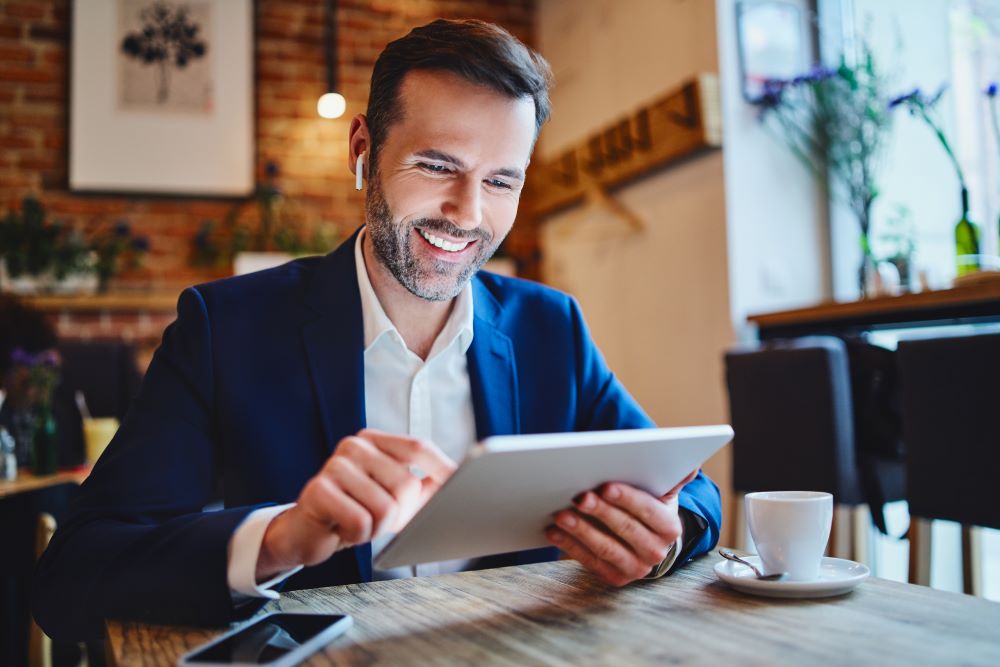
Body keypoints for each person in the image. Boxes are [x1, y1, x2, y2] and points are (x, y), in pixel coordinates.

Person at [32, 19, 721, 643]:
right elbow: (72, 577)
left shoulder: (551, 326)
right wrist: (279, 537)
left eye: (502, 182)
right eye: (436, 166)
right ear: (363, 147)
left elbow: (686, 488)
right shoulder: (227, 329)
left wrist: (664, 534)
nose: (467, 214)